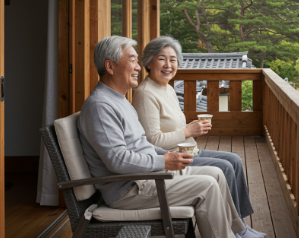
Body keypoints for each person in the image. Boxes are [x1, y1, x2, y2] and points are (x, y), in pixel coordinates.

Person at [77, 36, 264, 238]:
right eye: (132, 60)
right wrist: (164, 160)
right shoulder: (100, 107)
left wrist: (168, 156)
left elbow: (142, 144)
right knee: (208, 185)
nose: (138, 68)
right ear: (110, 67)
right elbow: (117, 160)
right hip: (130, 188)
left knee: (216, 174)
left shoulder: (119, 100)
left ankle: (237, 230)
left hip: (146, 177)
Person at [132, 36, 260, 235]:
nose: (168, 65)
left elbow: (172, 128)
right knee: (225, 166)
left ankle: (239, 224)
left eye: (173, 60)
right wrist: (188, 131)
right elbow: (152, 140)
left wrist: (191, 129)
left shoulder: (166, 88)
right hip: (174, 159)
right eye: (162, 59)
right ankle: (237, 229)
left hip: (189, 150)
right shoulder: (145, 93)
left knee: (234, 160)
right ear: (148, 62)